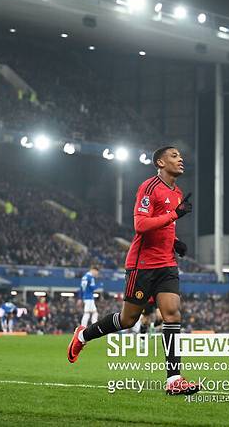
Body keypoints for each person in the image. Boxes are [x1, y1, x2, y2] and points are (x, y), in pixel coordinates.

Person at [67, 146, 199, 395]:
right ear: (160, 162)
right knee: (128, 319)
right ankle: (83, 336)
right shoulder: (149, 187)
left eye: (180, 155)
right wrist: (174, 214)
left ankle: (173, 380)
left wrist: (175, 242)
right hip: (142, 265)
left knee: (172, 314)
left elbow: (165, 226)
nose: (180, 159)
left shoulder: (177, 192)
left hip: (167, 264)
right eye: (174, 155)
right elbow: (141, 225)